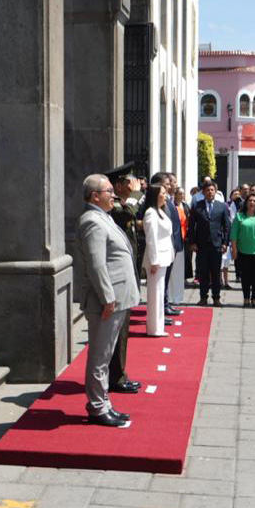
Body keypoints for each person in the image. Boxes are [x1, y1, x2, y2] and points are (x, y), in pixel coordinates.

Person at [74, 174, 139, 425]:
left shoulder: (103, 217)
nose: (114, 195)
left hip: (117, 297)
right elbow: (96, 264)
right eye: (109, 191)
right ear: (94, 196)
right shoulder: (92, 221)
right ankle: (98, 406)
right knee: (100, 356)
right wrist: (107, 297)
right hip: (107, 300)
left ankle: (104, 403)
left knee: (106, 353)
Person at [104, 164, 142, 395]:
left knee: (123, 330)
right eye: (130, 182)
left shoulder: (122, 205)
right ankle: (116, 377)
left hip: (127, 274)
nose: (134, 185)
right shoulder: (118, 208)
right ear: (118, 186)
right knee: (118, 331)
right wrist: (137, 194)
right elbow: (130, 213)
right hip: (117, 278)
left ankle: (119, 373)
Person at [189, 179, 231, 307]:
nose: (210, 192)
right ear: (203, 192)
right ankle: (203, 297)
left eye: (212, 190)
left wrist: (225, 243)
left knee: (216, 272)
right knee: (203, 272)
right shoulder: (197, 206)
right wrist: (192, 242)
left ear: (216, 191)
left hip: (217, 244)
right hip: (201, 245)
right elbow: (191, 226)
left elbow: (227, 226)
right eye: (207, 190)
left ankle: (216, 298)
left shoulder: (222, 206)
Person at [142, 181, 175, 334]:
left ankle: (159, 326)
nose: (165, 196)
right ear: (155, 195)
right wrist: (154, 260)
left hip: (164, 256)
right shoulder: (150, 212)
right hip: (157, 259)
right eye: (162, 193)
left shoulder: (159, 211)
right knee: (155, 293)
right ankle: (154, 328)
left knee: (160, 292)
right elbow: (151, 238)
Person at [167, 184, 190, 309]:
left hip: (183, 240)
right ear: (175, 195)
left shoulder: (186, 206)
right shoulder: (172, 207)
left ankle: (178, 296)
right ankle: (170, 296)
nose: (181, 195)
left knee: (180, 270)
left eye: (182, 193)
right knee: (172, 270)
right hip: (174, 240)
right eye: (179, 193)